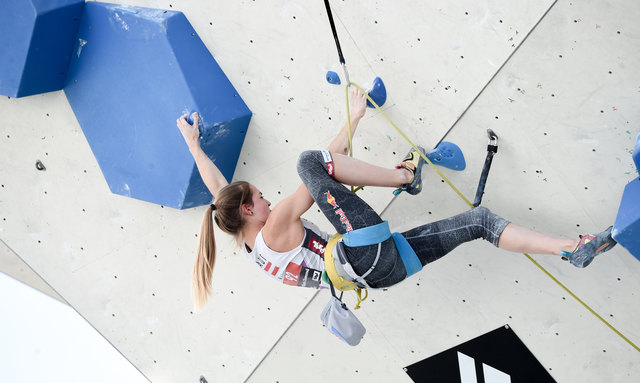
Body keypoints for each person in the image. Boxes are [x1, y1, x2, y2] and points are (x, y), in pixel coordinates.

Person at [177, 89, 616, 309]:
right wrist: (352, 118)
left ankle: (572, 249)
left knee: (479, 221)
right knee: (308, 160)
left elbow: (221, 193)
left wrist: (196, 147)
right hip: (361, 254)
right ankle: (404, 175)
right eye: (261, 197)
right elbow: (322, 169)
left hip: (378, 275)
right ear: (251, 212)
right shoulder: (273, 227)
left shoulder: (249, 242)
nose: (268, 200)